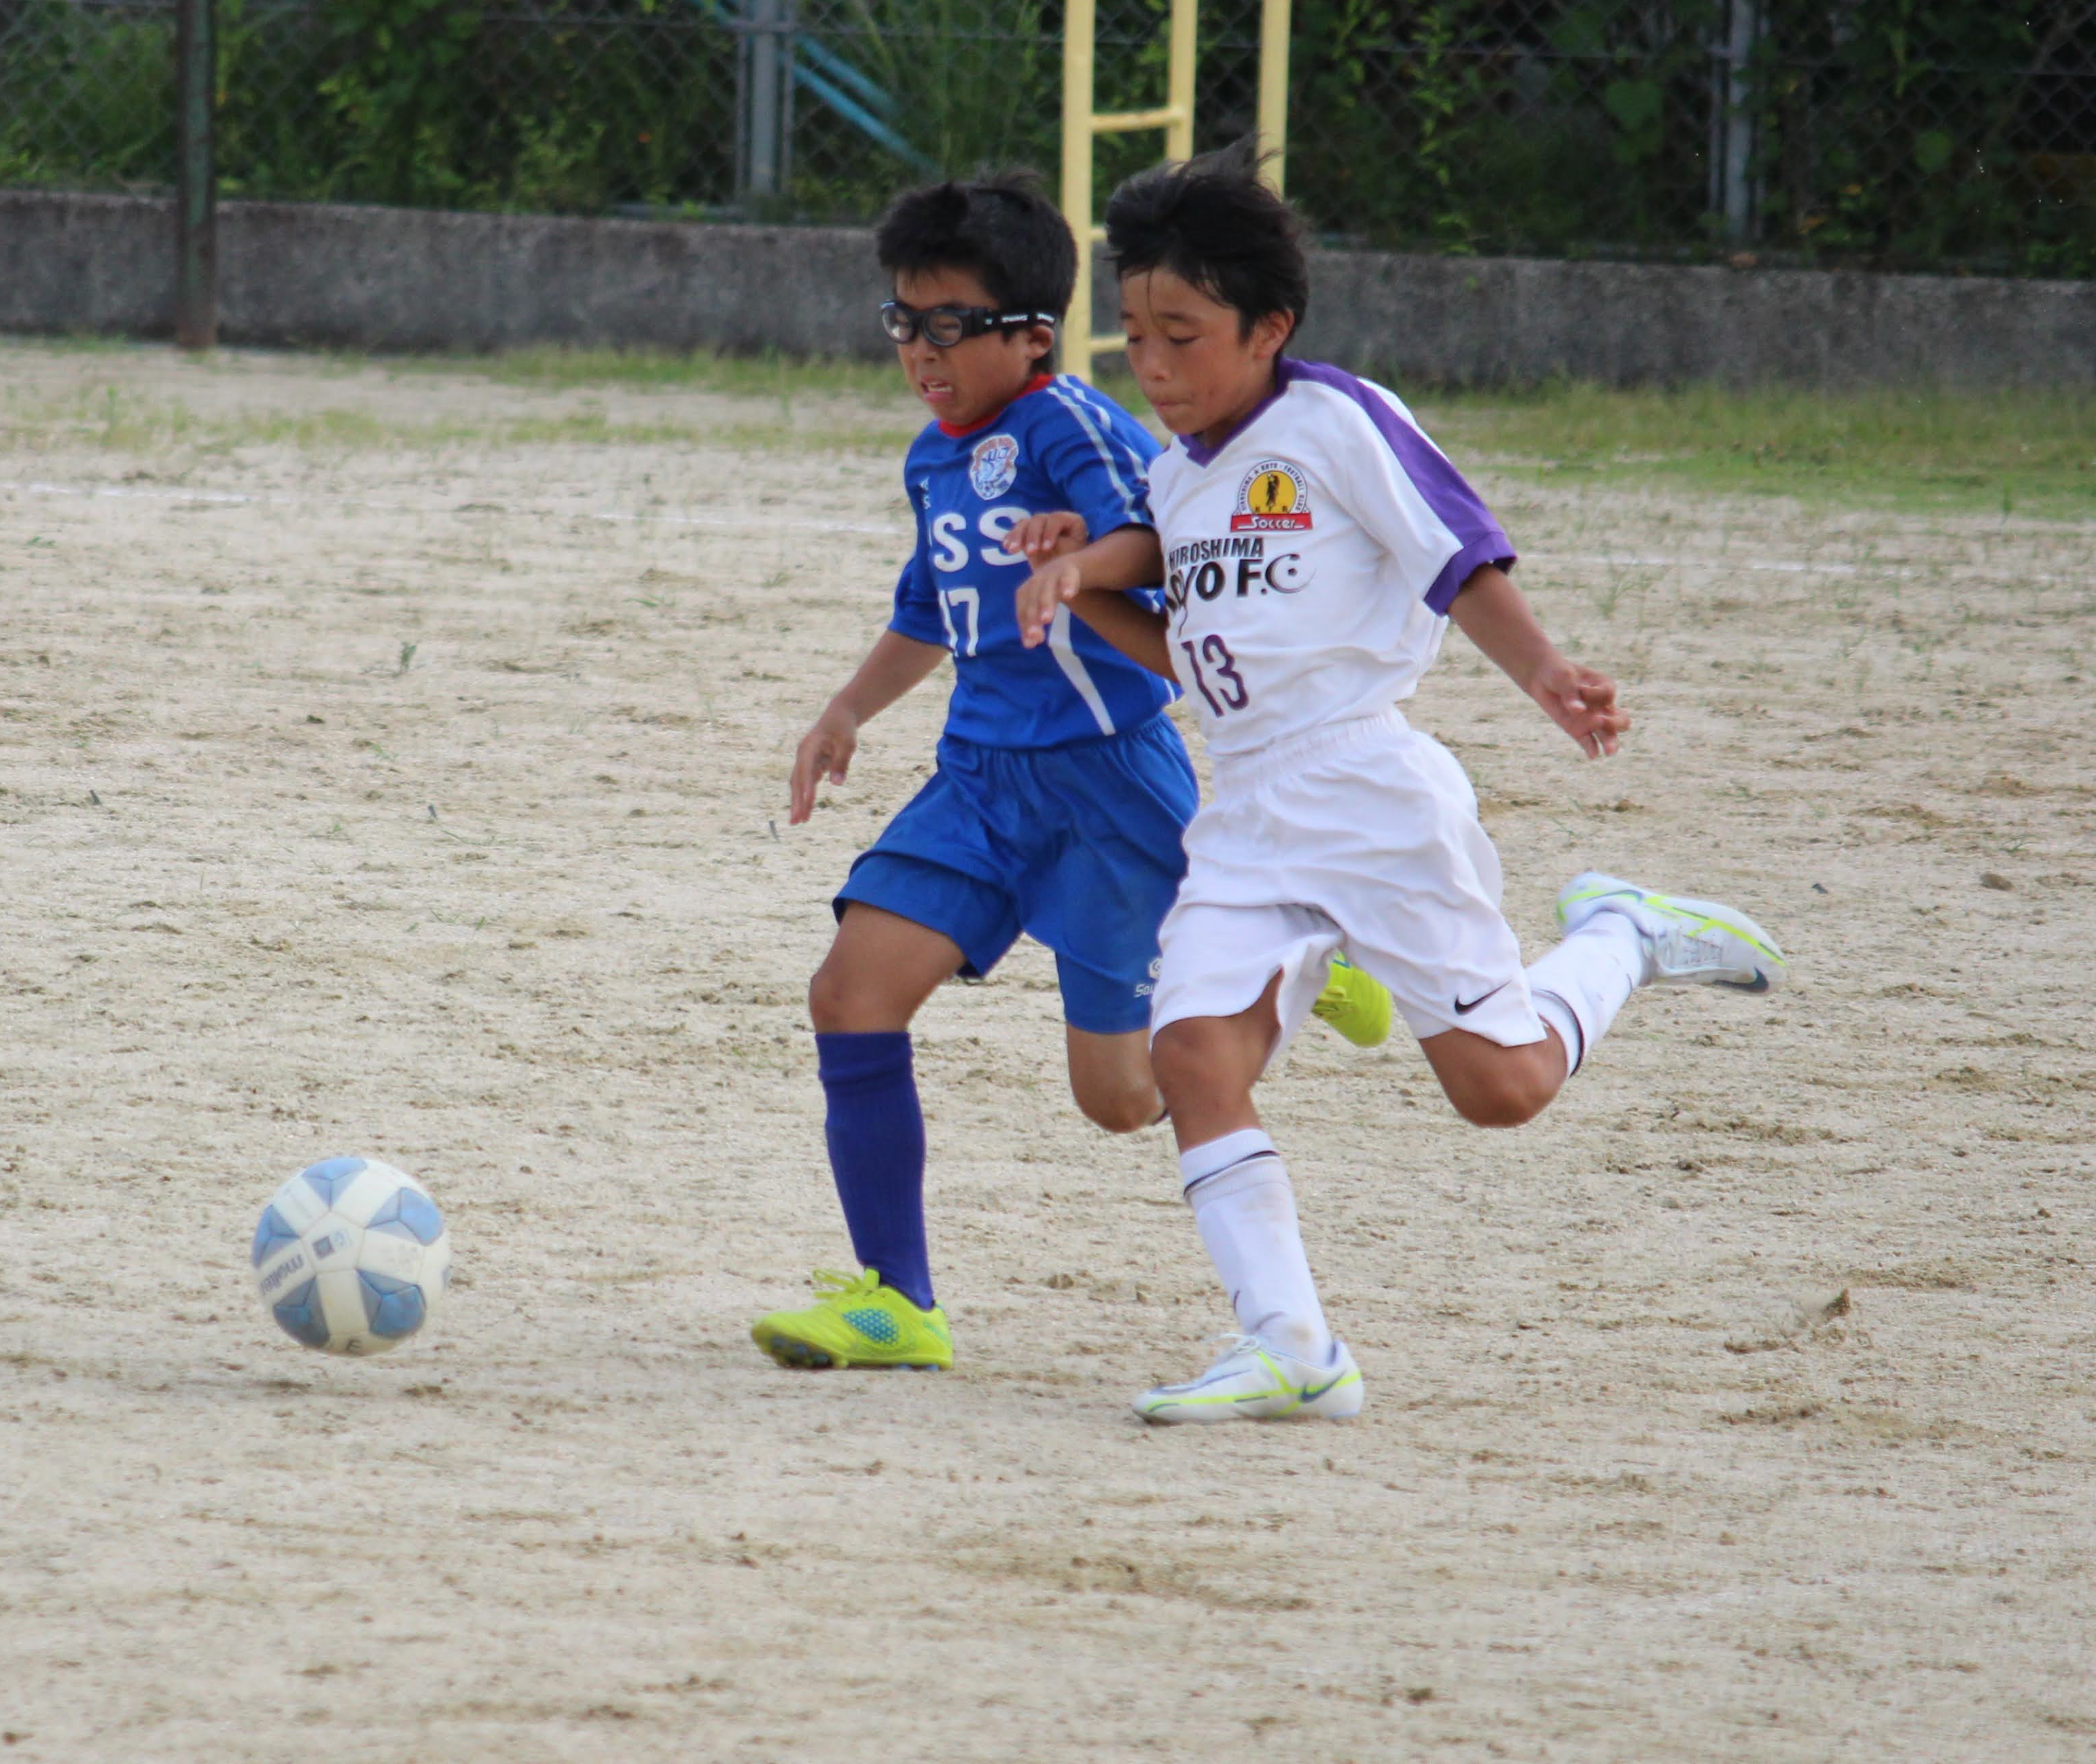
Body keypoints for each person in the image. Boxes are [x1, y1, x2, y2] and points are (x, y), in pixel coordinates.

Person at [1008, 145, 1786, 1421]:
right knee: (1191, 1054)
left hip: (1366, 787)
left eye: (1182, 336)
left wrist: (1544, 670)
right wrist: (1078, 581)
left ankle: (1623, 935)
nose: (1152, 365)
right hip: (1244, 806)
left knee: (1501, 1089)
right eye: (1135, 336)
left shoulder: (1333, 420)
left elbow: (1456, 552)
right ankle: (1291, 1346)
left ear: (1269, 328)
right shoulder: (1175, 475)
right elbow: (1194, 656)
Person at [752, 172, 1389, 1373]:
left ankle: (1302, 948)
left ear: (1032, 335)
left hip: (1107, 783)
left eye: (951, 324)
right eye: (903, 321)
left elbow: (1166, 544)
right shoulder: (933, 458)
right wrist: (845, 708)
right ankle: (898, 1302)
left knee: (1123, 1097)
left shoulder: (1071, 425)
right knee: (848, 992)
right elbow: (927, 609)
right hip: (979, 782)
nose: (922, 350)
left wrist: (1081, 557)